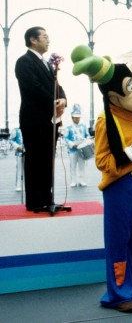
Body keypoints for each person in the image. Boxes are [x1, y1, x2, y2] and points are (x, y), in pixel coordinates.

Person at [14, 26, 67, 212]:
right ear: (33, 40)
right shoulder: (24, 62)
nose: (48, 40)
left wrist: (63, 98)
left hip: (49, 121)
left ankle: (47, 198)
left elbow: (56, 85)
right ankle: (35, 201)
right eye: (44, 36)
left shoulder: (47, 64)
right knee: (35, 159)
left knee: (47, 159)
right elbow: (33, 87)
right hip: (34, 120)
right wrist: (54, 101)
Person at [64, 104, 91, 187]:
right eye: (75, 117)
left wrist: (87, 140)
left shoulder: (83, 126)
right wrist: (72, 144)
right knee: (72, 166)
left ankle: (82, 180)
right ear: (72, 118)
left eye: (78, 117)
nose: (77, 119)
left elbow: (87, 136)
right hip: (72, 150)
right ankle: (73, 181)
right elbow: (66, 138)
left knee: (82, 165)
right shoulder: (68, 127)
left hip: (82, 149)